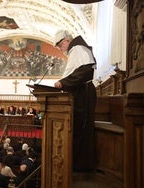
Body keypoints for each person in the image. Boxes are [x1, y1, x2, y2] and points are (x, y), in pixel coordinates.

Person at [53, 30, 97, 172]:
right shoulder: (75, 50)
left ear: (67, 40)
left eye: (60, 45)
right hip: (80, 92)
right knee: (79, 129)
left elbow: (84, 71)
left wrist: (63, 83)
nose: (61, 49)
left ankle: (82, 166)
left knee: (82, 128)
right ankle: (78, 163)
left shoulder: (77, 48)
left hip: (83, 93)